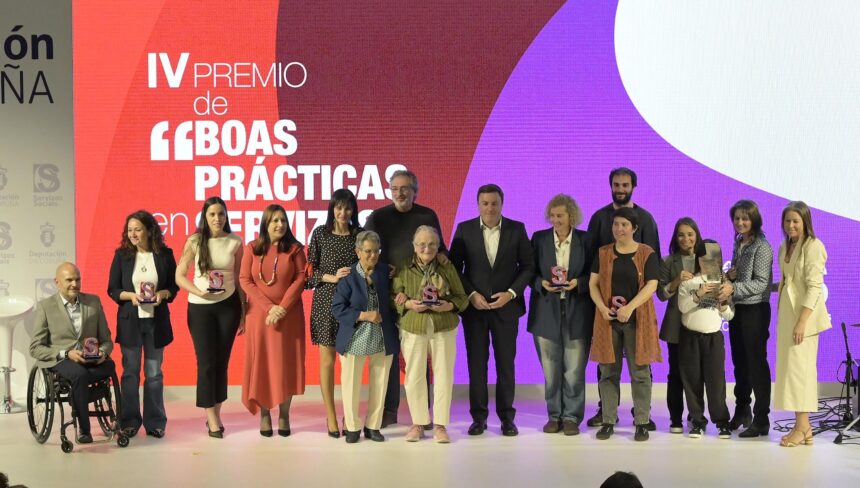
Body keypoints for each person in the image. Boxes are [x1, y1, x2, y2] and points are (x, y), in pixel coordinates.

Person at [450, 184, 535, 437]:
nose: (489, 208)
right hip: (475, 310)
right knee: (477, 365)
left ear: (502, 204)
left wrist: (511, 294)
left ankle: (507, 418)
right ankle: (479, 418)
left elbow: (528, 267)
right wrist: (471, 294)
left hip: (506, 309)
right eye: (485, 203)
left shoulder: (517, 229)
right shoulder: (464, 230)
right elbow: (454, 269)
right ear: (478, 205)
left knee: (505, 365)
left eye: (494, 203)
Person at [365, 169, 448, 427]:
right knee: (388, 353)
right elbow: (364, 250)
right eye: (395, 189)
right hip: (386, 294)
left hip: (419, 298)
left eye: (405, 188)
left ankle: (423, 414)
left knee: (421, 357)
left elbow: (441, 250)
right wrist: (381, 265)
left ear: (415, 191)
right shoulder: (378, 217)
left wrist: (442, 256)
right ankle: (389, 410)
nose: (399, 193)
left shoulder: (427, 216)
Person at [586, 167, 660, 429]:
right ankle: (607, 413)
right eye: (616, 184)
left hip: (638, 311)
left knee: (640, 367)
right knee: (608, 366)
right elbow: (591, 262)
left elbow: (653, 266)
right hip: (606, 309)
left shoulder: (647, 219)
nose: (620, 189)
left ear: (633, 187)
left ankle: (643, 415)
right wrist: (598, 304)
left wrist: (638, 304)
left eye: (625, 185)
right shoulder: (599, 218)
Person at [175, 196, 244, 438]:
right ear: (205, 217)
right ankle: (211, 418)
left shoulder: (235, 241)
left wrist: (244, 313)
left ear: (226, 216)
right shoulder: (195, 241)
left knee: (222, 362)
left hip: (229, 307)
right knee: (206, 363)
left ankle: (216, 412)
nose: (217, 218)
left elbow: (240, 279)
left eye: (221, 214)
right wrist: (198, 292)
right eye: (212, 214)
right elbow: (179, 275)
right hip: (200, 308)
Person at [107, 210, 178, 439]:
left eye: (137, 229)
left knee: (154, 373)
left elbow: (174, 287)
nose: (133, 234)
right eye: (129, 230)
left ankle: (155, 422)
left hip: (156, 322)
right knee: (130, 373)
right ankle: (129, 421)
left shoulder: (165, 255)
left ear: (149, 230)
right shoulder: (122, 255)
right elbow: (113, 289)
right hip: (131, 322)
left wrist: (163, 294)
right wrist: (131, 296)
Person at [393, 226, 468, 443]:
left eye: (432, 244)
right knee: (414, 376)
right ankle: (418, 423)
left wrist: (448, 305)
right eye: (422, 244)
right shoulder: (403, 267)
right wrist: (407, 304)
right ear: (414, 246)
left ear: (438, 246)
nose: (427, 248)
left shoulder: (446, 267)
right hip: (413, 327)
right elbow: (392, 295)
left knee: (443, 375)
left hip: (443, 327)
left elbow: (462, 298)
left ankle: (440, 425)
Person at [527, 194, 594, 435]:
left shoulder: (586, 240)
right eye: (553, 215)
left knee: (574, 370)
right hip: (546, 311)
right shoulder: (539, 239)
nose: (556, 220)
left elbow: (595, 273)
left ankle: (571, 417)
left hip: (578, 311)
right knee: (550, 370)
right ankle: (554, 416)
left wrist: (579, 283)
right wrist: (540, 284)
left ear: (571, 216)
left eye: (561, 215)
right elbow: (528, 271)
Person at [239, 204, 306, 437]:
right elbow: (245, 280)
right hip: (259, 316)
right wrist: (270, 308)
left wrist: (282, 309)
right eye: (275, 220)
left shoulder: (295, 249)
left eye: (283, 220)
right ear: (265, 224)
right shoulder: (252, 248)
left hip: (289, 317)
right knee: (263, 365)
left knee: (285, 365)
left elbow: (300, 279)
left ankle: (284, 415)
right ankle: (265, 414)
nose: (280, 224)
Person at [29, 262, 115, 444]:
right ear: (57, 282)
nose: (74, 284)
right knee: (79, 375)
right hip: (61, 359)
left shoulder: (93, 302)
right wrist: (66, 353)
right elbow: (35, 347)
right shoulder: (46, 306)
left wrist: (102, 352)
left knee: (110, 365)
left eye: (77, 279)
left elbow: (107, 340)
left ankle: (78, 394)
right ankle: (84, 429)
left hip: (91, 360)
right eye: (69, 280)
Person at [331, 231, 398, 443]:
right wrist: (364, 315)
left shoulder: (384, 271)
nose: (373, 255)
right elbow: (337, 308)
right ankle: (352, 428)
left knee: (380, 381)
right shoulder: (348, 276)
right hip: (355, 335)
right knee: (351, 384)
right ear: (358, 251)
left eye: (376, 251)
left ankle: (373, 426)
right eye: (368, 251)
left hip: (382, 335)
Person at [774, 201, 831, 447]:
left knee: (801, 372)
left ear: (805, 222)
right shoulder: (784, 245)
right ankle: (803, 427)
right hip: (788, 316)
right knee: (791, 371)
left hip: (803, 319)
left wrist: (802, 322)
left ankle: (802, 426)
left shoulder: (813, 246)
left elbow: (814, 287)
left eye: (795, 221)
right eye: (787, 221)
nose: (791, 225)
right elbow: (787, 282)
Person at [306, 188, 362, 437]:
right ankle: (330, 415)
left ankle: (349, 414)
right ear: (332, 209)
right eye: (338, 207)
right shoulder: (320, 233)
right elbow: (308, 275)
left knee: (351, 363)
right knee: (327, 362)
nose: (343, 212)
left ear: (353, 210)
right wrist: (332, 276)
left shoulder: (359, 235)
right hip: (325, 303)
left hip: (352, 303)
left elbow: (368, 264)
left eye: (347, 208)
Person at [724, 200, 773, 438]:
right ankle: (742, 410)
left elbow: (762, 283)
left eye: (745, 218)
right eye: (737, 218)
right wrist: (730, 276)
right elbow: (741, 277)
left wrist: (733, 288)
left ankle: (761, 418)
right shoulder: (739, 242)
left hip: (755, 310)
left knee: (756, 364)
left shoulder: (762, 246)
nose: (740, 222)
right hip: (738, 310)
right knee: (740, 363)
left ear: (754, 220)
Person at [677, 241, 734, 439]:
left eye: (714, 258)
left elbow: (729, 315)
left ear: (719, 260)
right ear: (698, 259)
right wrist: (699, 294)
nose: (709, 262)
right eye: (704, 258)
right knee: (692, 382)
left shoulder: (724, 285)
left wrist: (723, 304)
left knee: (716, 382)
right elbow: (683, 307)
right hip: (690, 338)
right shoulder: (688, 283)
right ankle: (697, 421)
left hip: (713, 339)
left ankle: (722, 422)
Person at [656, 217, 701, 433]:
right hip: (676, 325)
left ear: (696, 236)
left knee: (696, 374)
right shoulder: (668, 261)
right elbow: (661, 294)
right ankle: (675, 419)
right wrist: (676, 281)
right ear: (675, 238)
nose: (686, 239)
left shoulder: (706, 259)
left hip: (699, 323)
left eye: (690, 234)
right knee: (675, 373)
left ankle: (696, 416)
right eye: (681, 235)